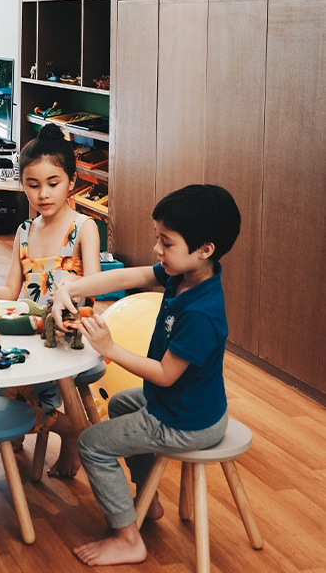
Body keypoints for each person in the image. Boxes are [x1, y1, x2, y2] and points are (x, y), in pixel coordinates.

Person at [51, 183, 241, 566]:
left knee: (91, 443)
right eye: (159, 238)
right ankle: (147, 498)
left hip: (184, 419)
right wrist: (69, 288)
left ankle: (127, 537)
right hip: (189, 406)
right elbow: (126, 278)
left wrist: (110, 350)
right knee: (122, 402)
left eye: (166, 242)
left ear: (204, 250)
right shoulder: (186, 275)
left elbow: (166, 375)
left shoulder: (202, 312)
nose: (158, 249)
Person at [0, 122, 100, 477]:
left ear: (71, 182)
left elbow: (94, 287)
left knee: (18, 379)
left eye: (53, 184)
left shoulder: (84, 228)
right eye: (33, 185)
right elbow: (11, 291)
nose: (43, 194)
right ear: (22, 185)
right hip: (30, 327)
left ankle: (70, 432)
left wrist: (68, 291)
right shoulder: (25, 231)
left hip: (66, 332)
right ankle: (23, 425)